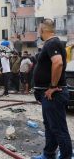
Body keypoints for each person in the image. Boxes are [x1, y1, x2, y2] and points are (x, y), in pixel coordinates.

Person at [32, 19, 72, 159]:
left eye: (38, 30)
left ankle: (66, 156)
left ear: (43, 30)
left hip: (53, 94)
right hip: (47, 94)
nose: (38, 32)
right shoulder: (51, 43)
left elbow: (58, 63)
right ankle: (49, 154)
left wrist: (53, 86)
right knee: (50, 126)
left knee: (58, 128)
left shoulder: (52, 42)